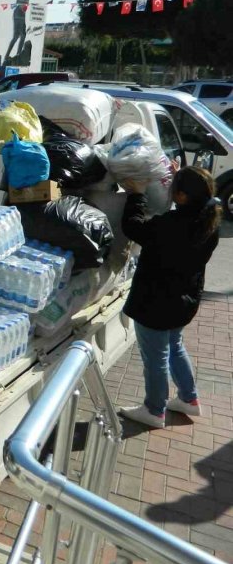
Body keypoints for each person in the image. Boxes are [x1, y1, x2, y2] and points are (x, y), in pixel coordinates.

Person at [118, 166, 220, 429]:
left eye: (175, 187)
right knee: (174, 346)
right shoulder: (208, 221)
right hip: (183, 301)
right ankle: (189, 399)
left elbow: (133, 228)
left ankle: (154, 410)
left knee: (156, 357)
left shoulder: (170, 225)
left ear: (183, 196)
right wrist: (179, 178)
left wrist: (136, 194)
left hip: (156, 303)